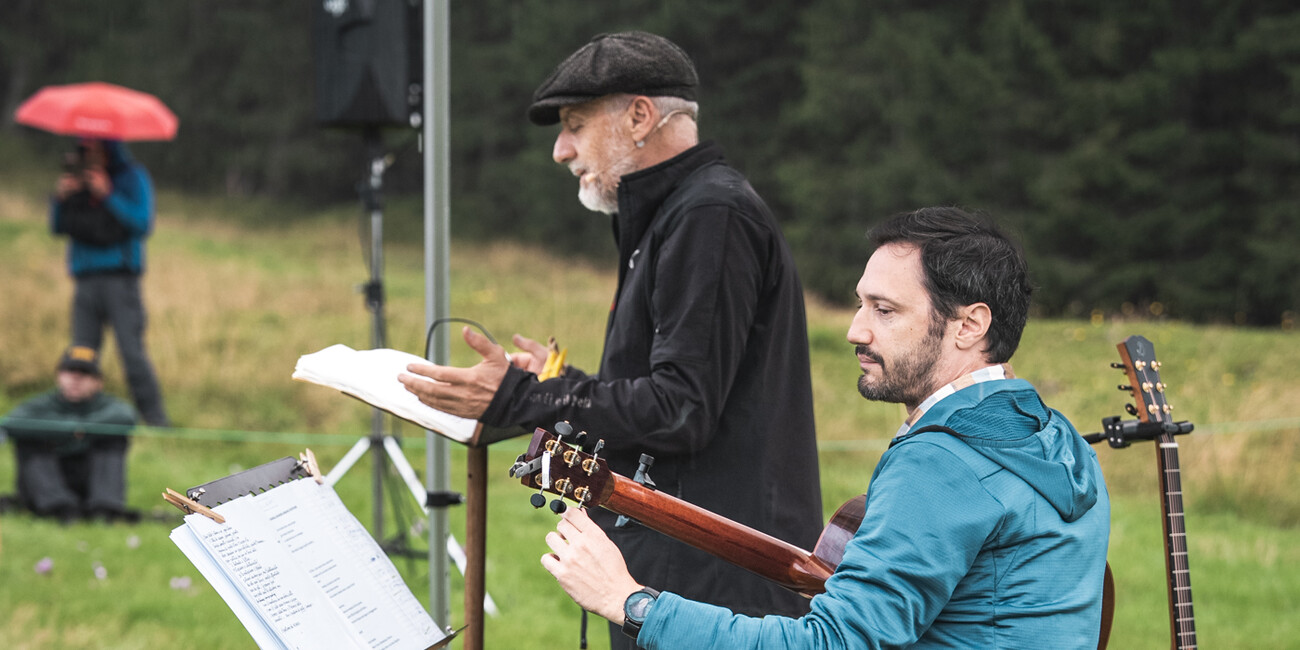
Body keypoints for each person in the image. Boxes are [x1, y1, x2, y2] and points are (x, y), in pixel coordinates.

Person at [399, 31, 824, 645]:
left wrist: (519, 397)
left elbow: (680, 411)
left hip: (713, 591)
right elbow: (675, 393)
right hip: (685, 577)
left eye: (574, 124)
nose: (559, 149)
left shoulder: (710, 214)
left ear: (641, 116)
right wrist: (558, 384)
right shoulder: (677, 213)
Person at [540, 207, 1112, 649]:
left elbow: (833, 642)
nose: (856, 331)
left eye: (884, 311)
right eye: (860, 305)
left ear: (969, 325)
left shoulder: (943, 464)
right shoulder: (1055, 439)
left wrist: (631, 601)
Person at [51, 137, 170, 427]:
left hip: (121, 279)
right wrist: (61, 198)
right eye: (84, 146)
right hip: (85, 279)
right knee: (81, 352)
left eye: (93, 147)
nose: (87, 151)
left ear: (107, 148)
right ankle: (77, 420)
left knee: (131, 353)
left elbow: (142, 222)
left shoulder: (132, 177)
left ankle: (155, 422)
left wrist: (107, 194)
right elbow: (57, 227)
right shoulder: (74, 176)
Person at [1, 346, 137, 524]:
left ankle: (104, 509)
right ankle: (57, 508)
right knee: (30, 440)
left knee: (113, 438)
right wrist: (69, 430)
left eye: (84, 373)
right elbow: (11, 423)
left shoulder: (108, 405)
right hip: (45, 487)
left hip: (87, 482)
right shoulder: (41, 403)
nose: (76, 378)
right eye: (70, 371)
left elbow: (127, 416)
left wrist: (82, 429)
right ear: (59, 376)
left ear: (98, 382)